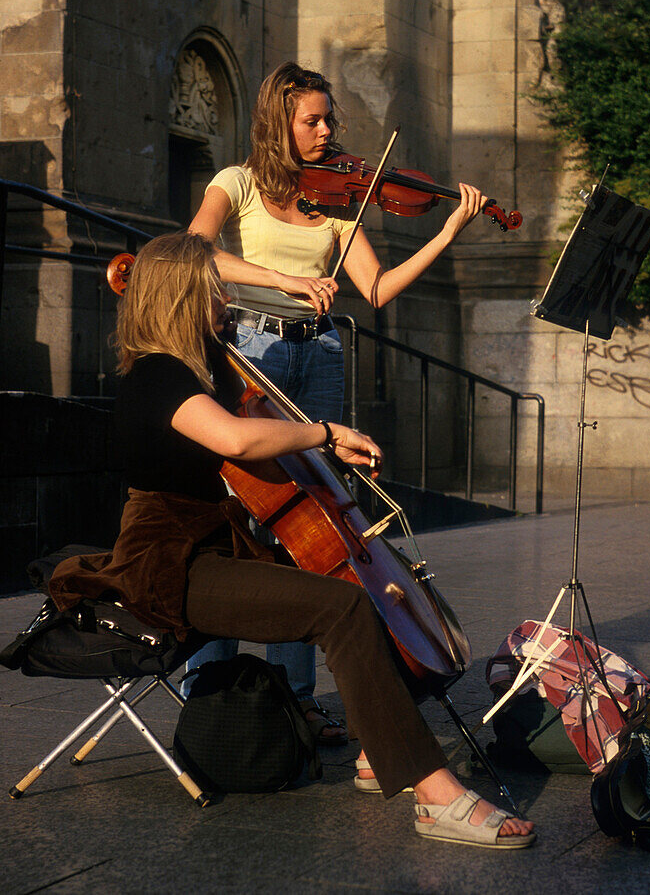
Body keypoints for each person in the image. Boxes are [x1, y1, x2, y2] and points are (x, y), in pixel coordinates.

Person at [49, 232, 535, 850]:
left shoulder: (199, 371)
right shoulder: (157, 376)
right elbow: (237, 442)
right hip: (169, 564)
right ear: (182, 297)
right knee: (343, 607)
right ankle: (434, 794)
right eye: (213, 289)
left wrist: (313, 448)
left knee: (348, 599)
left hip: (209, 546)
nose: (225, 298)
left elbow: (255, 452)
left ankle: (382, 751)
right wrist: (324, 432)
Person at [185, 62, 490, 743]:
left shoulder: (338, 200)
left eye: (329, 120)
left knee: (314, 526)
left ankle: (298, 696)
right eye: (311, 120)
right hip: (254, 353)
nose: (325, 131)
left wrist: (447, 233)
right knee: (243, 518)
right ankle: (210, 688)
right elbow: (196, 251)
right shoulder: (235, 183)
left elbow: (375, 289)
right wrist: (281, 281)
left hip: (319, 355)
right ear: (278, 122)